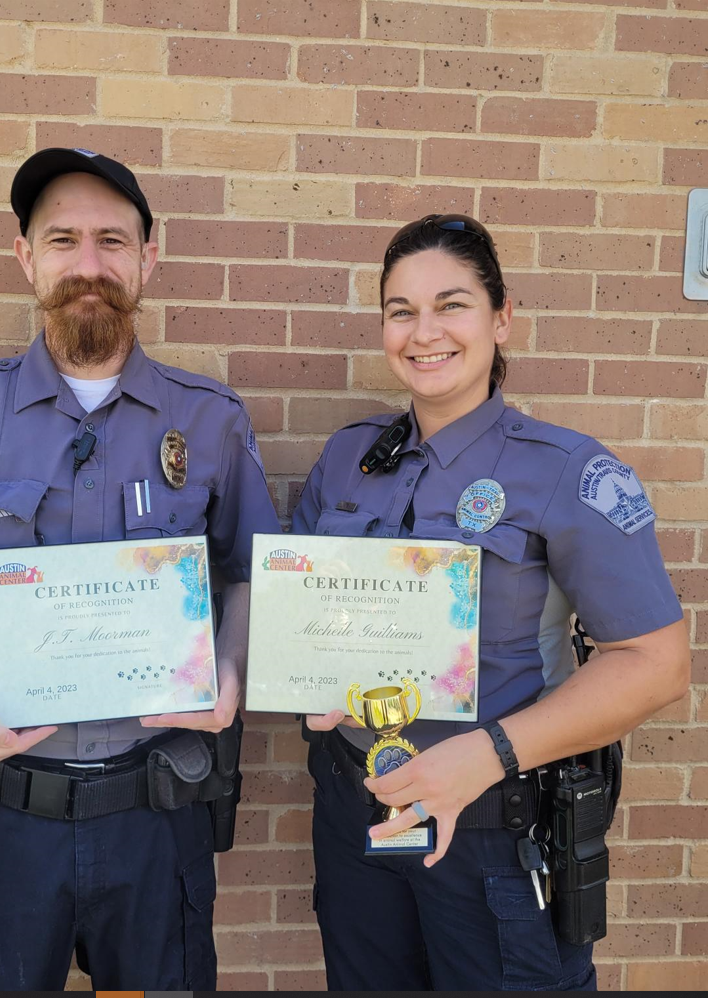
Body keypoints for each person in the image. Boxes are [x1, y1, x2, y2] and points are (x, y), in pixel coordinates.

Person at [0, 148, 280, 991]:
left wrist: (226, 672)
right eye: (62, 239)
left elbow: (249, 572)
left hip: (156, 818)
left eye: (112, 241)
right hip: (3, 820)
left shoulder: (210, 422)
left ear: (148, 258)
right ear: (24, 257)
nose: (88, 265)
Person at [292, 214, 691, 991]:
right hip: (356, 812)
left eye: (451, 305)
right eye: (400, 311)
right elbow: (304, 611)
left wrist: (484, 756)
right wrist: (301, 678)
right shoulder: (347, 459)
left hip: (492, 833)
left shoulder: (568, 471)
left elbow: (655, 664)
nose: (423, 332)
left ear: (501, 318)